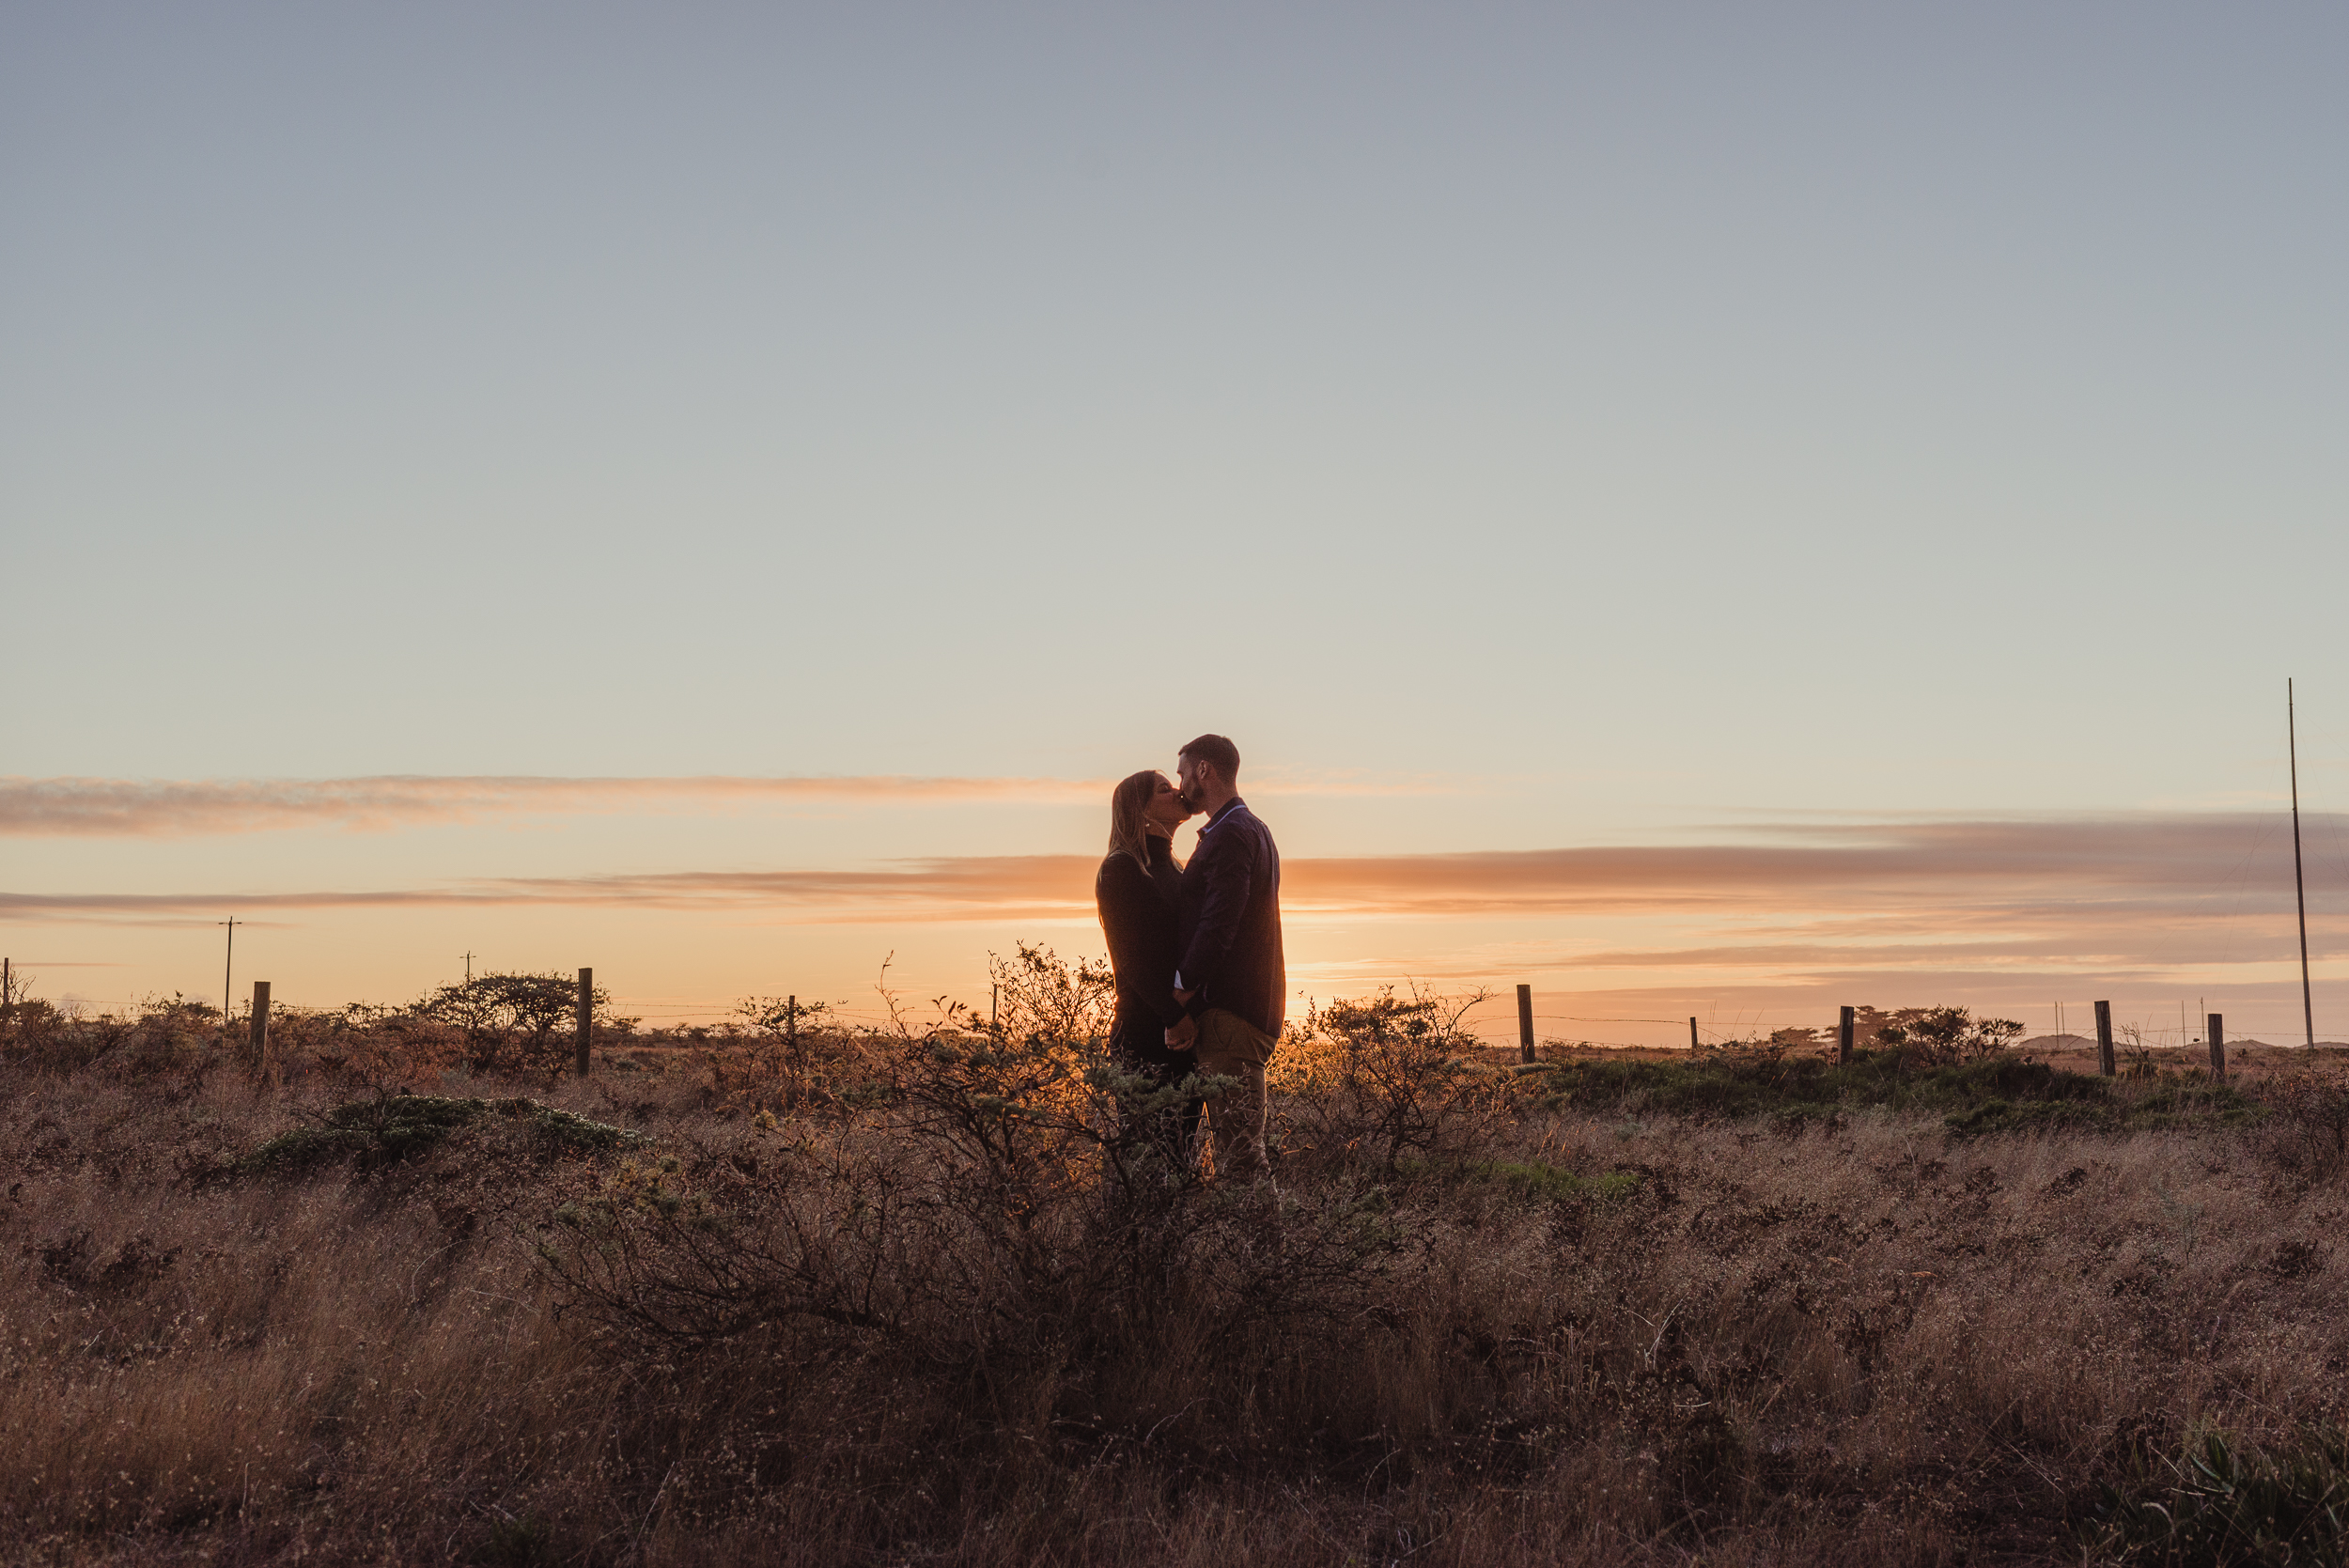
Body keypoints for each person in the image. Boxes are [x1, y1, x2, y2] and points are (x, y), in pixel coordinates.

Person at [1167, 734, 1283, 1186]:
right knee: (1240, 1155)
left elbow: (1220, 921)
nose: (1179, 785)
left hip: (1231, 1017)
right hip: (1245, 1010)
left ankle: (1266, 1256)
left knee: (1241, 1160)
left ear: (1203, 770)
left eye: (1181, 773)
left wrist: (1180, 989)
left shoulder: (1232, 833)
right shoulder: (1251, 828)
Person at [1094, 768, 1203, 1156]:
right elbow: (1132, 958)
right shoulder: (1122, 867)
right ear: (1139, 810)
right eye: (1163, 789)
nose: (1177, 792)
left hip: (1184, 1035)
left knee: (1181, 1153)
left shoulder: (1180, 869)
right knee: (1146, 1157)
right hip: (1145, 1032)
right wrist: (1174, 1017)